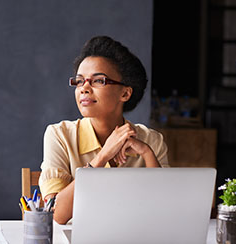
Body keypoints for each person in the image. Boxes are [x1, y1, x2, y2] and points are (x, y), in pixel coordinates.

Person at [38, 36, 169, 224]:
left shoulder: (152, 140)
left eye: (98, 81)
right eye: (80, 81)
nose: (84, 88)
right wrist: (102, 157)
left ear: (125, 93)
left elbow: (165, 210)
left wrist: (147, 153)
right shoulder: (59, 135)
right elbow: (56, 214)